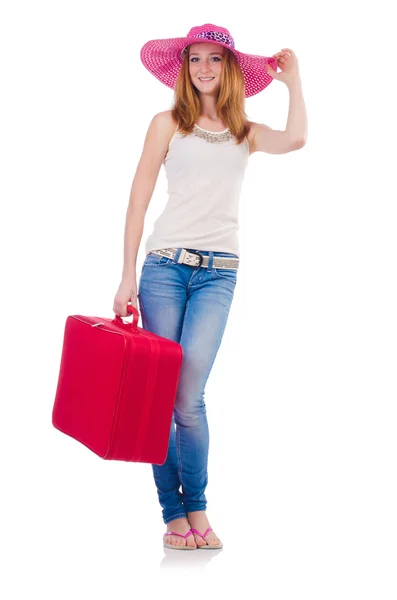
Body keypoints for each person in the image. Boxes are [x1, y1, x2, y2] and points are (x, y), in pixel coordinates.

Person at [113, 23, 308, 550]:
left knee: (189, 397)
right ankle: (173, 513)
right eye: (194, 58)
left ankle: (197, 506)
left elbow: (296, 139)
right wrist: (128, 273)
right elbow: (138, 200)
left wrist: (293, 82)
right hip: (164, 268)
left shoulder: (244, 130)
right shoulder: (165, 125)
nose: (203, 68)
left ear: (228, 68)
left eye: (214, 59)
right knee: (160, 398)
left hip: (219, 273)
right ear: (184, 67)